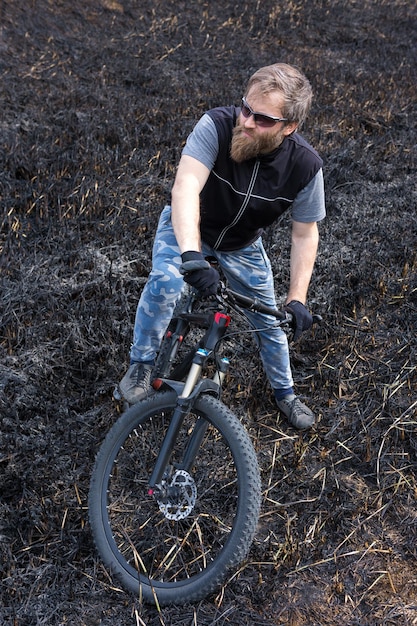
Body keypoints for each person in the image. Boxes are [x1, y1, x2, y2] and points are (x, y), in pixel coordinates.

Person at [119, 62, 326, 430]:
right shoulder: (215, 124)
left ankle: (286, 393)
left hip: (242, 245)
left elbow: (304, 233)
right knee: (166, 283)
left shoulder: (306, 166)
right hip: (190, 229)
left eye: (262, 119)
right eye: (246, 108)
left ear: (289, 127)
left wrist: (298, 298)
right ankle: (140, 364)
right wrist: (191, 256)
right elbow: (185, 188)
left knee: (269, 319)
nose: (246, 122)